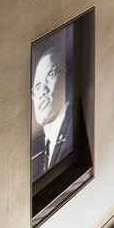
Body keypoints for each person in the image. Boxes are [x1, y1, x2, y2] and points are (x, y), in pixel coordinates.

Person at [30, 42, 74, 181]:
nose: (42, 92)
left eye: (49, 76)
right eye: (37, 87)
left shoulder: (73, 129)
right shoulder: (38, 153)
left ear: (66, 78)